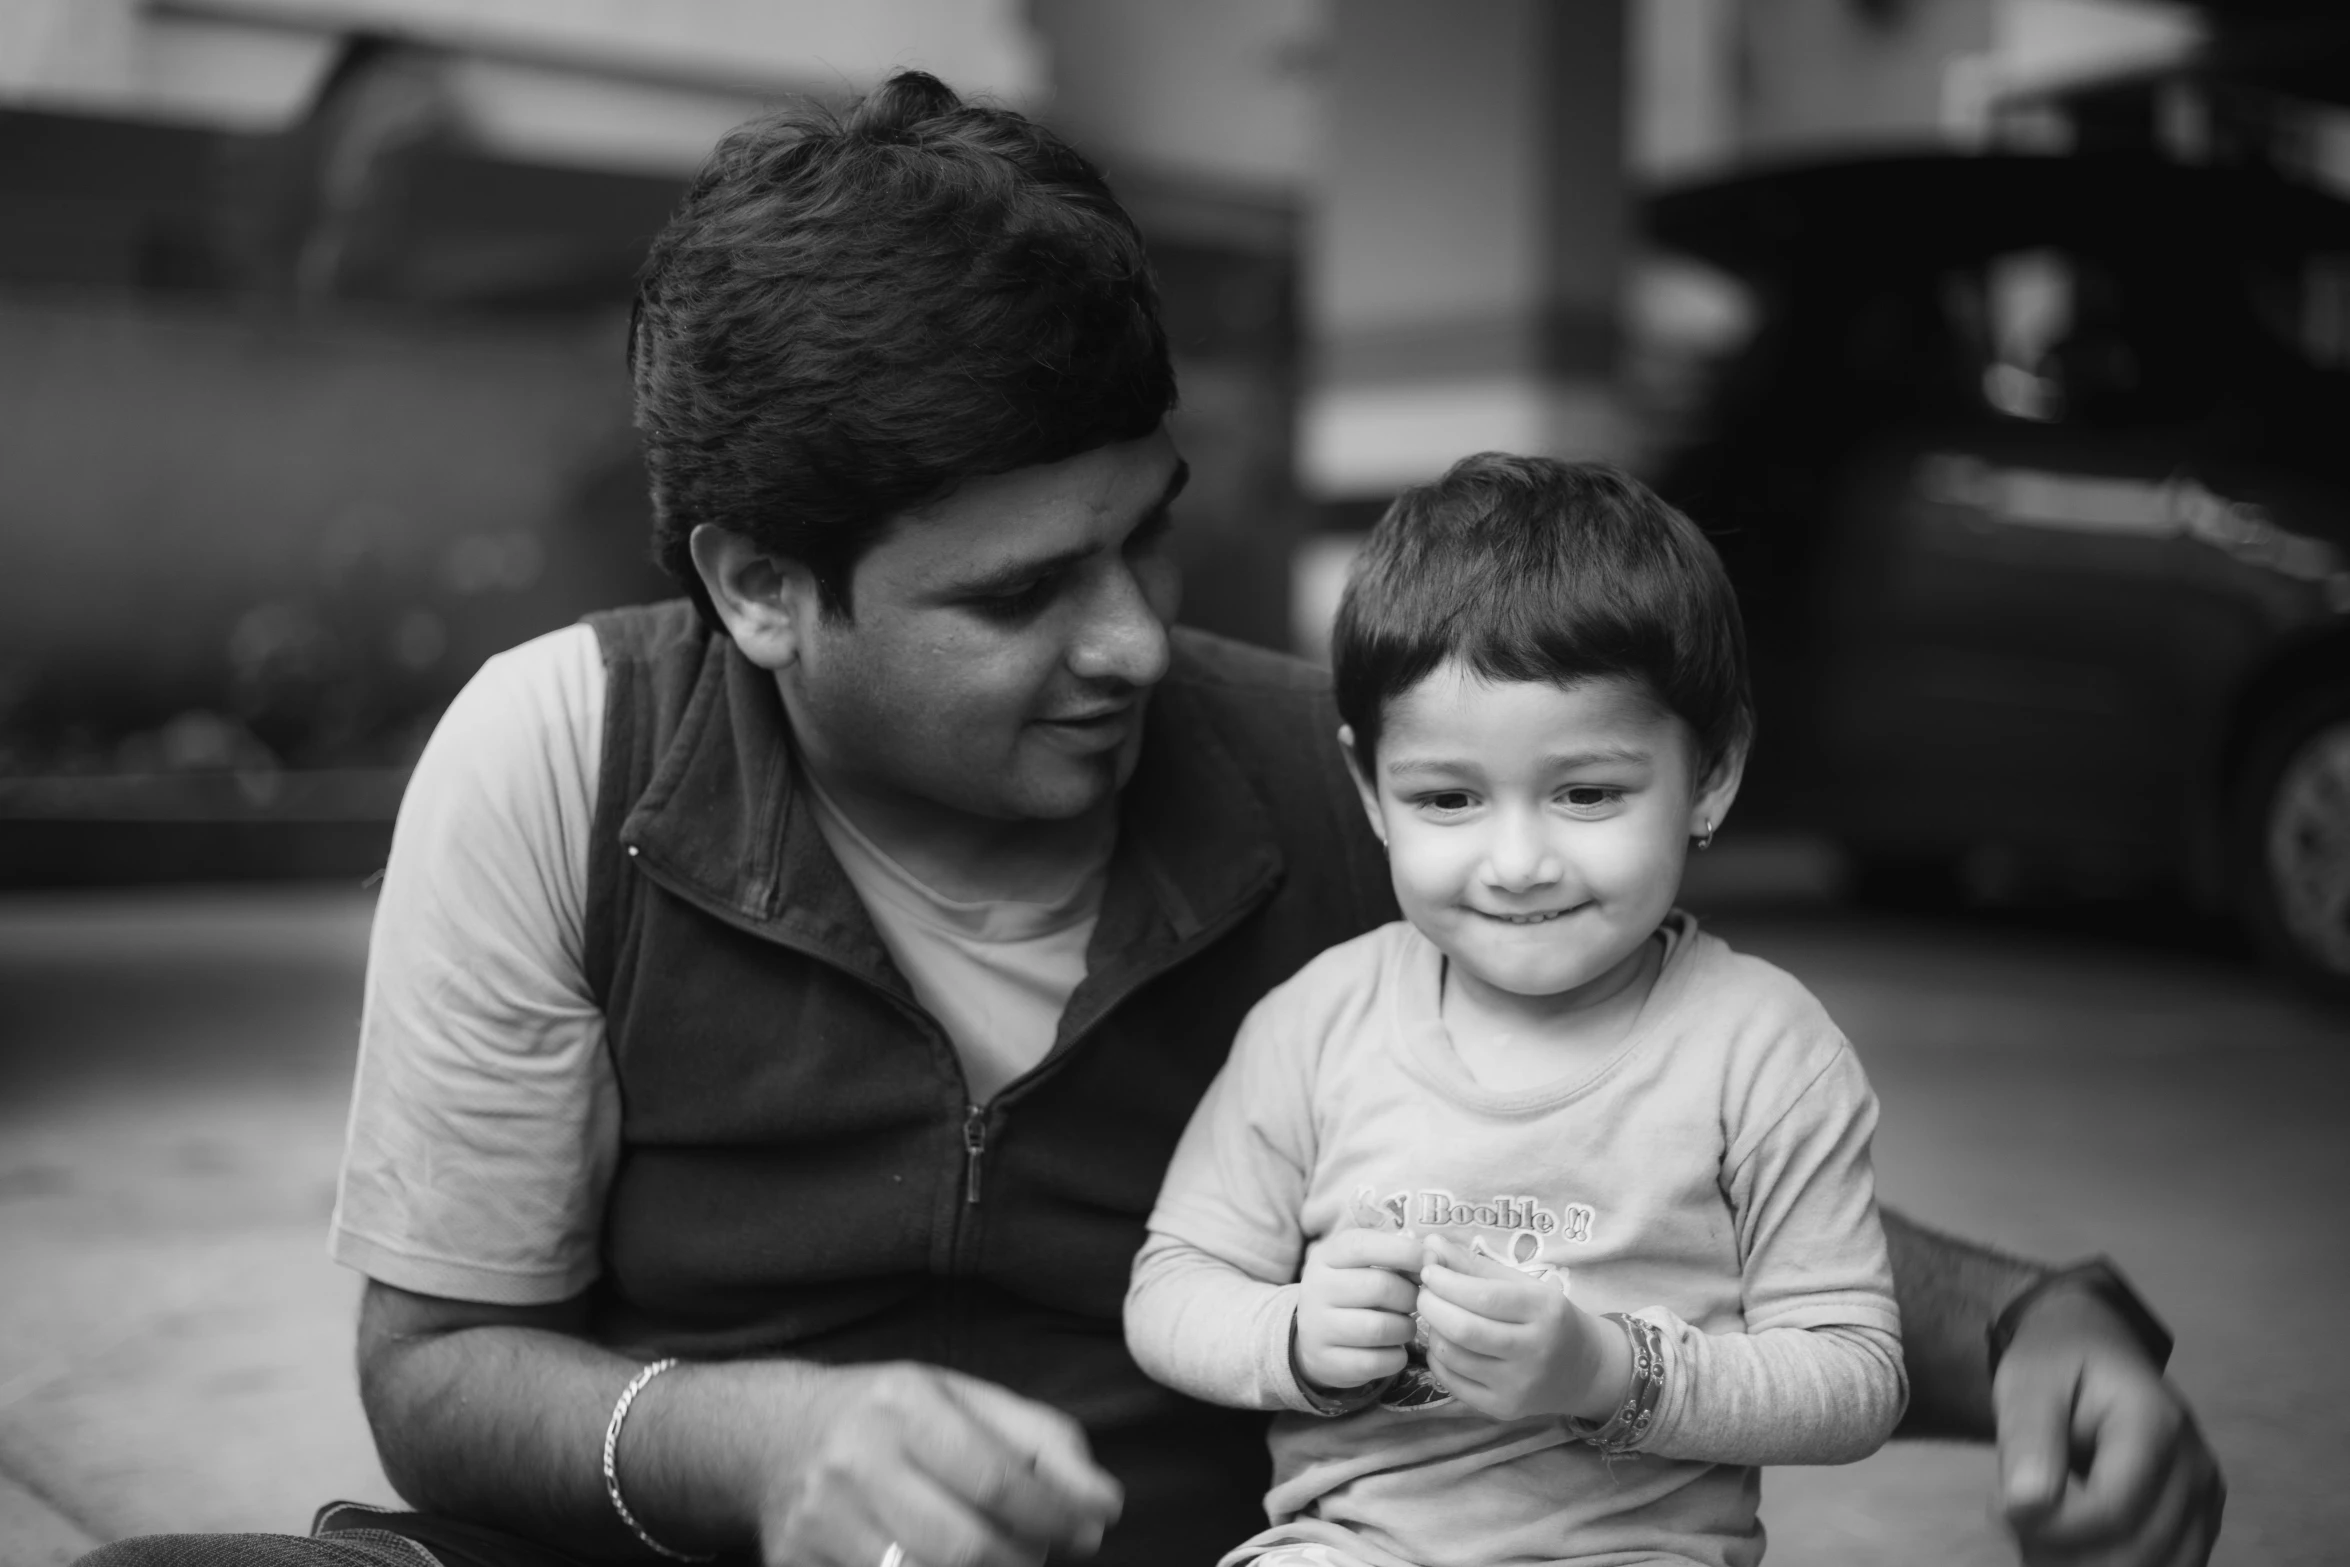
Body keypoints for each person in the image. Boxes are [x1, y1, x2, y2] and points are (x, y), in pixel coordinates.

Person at [78, 71, 2219, 1567]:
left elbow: (1704, 1181)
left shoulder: (1330, 791)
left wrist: (2040, 1323)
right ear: (755, 585)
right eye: (1018, 594)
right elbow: (439, 1366)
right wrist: (760, 1452)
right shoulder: (562, 764)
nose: (1124, 643)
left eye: (1144, 544)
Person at [1126, 455, 1905, 1567]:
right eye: (1446, 799)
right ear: (1369, 792)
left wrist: (1609, 1372)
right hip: (1356, 1545)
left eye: (1587, 793)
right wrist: (1294, 1333)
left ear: (1714, 771)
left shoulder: (1763, 1050)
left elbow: (1851, 1375)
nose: (1517, 861)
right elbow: (1170, 1291)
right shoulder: (1317, 1025)